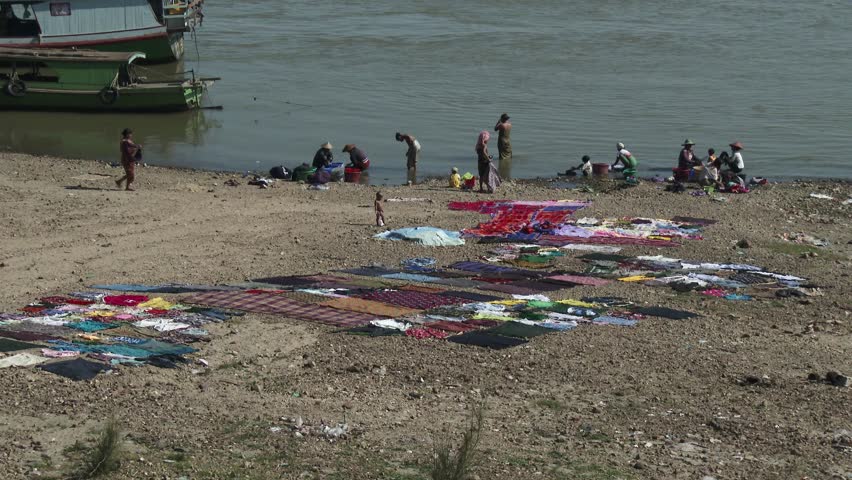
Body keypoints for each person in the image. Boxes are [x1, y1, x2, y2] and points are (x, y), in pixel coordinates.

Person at [494, 113, 512, 178]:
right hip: (508, 141)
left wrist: (498, 122)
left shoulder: (501, 125)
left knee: (501, 155)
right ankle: (507, 167)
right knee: (508, 154)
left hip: (502, 141)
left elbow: (495, 129)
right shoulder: (510, 125)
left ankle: (502, 168)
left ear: (502, 119)